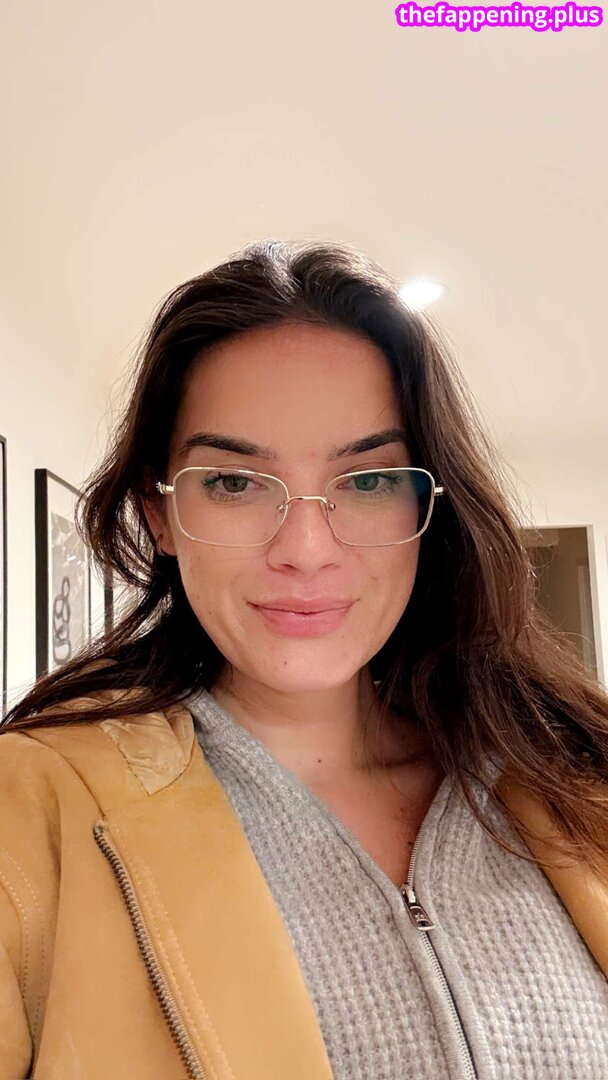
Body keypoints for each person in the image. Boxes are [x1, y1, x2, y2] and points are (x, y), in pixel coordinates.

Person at [0, 240, 607, 1080]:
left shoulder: (575, 774)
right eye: (235, 482)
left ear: (429, 505)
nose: (306, 549)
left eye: (367, 481)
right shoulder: (30, 814)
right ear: (159, 513)